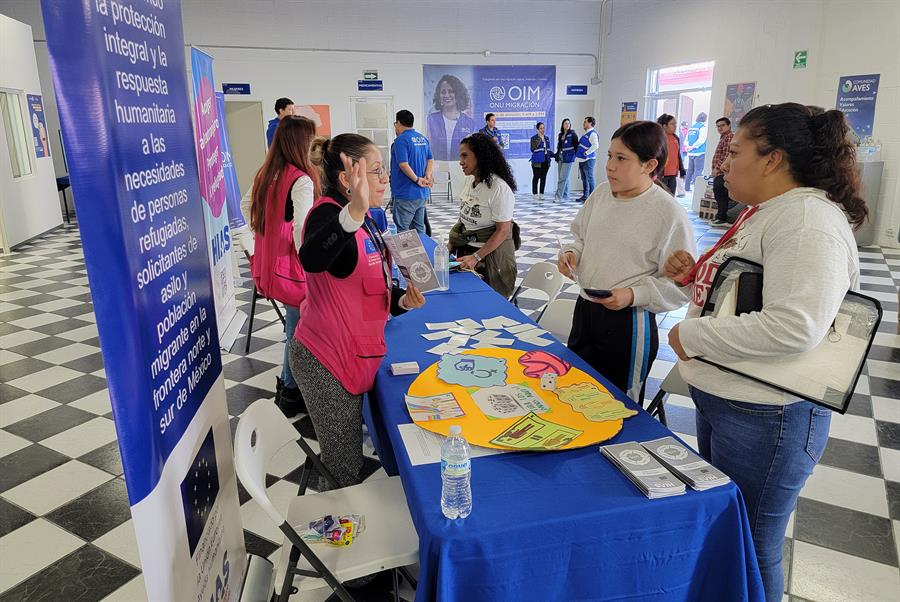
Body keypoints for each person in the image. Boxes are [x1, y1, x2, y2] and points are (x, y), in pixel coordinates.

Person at [663, 103, 866, 602]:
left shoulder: (806, 220)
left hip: (769, 417)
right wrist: (694, 278)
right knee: (732, 535)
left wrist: (693, 338)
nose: (724, 163)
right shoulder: (770, 213)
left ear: (772, 159)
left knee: (753, 543)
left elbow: (796, 325)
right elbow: (750, 295)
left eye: (735, 152)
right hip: (730, 402)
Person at [291, 133, 426, 490]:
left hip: (357, 354)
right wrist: (353, 211)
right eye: (377, 170)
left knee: (351, 461)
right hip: (327, 361)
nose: (385, 179)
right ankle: (334, 543)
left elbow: (364, 284)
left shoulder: (365, 218)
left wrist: (400, 300)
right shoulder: (329, 215)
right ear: (347, 179)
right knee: (342, 471)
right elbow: (313, 258)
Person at [558, 121, 695, 401]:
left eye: (621, 159)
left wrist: (634, 295)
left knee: (618, 404)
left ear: (649, 165)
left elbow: (681, 285)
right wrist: (573, 253)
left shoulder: (667, 214)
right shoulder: (600, 195)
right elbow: (580, 237)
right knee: (574, 393)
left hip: (629, 323)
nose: (609, 166)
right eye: (609, 156)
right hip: (586, 309)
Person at [243, 116, 319, 417]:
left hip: (268, 267)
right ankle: (289, 391)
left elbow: (244, 207)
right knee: (296, 330)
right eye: (310, 139)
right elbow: (302, 227)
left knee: (293, 327)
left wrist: (260, 239)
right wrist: (311, 263)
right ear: (301, 142)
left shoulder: (266, 173)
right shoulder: (301, 178)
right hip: (292, 269)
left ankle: (290, 388)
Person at [449, 133, 518, 298]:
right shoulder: (469, 181)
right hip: (467, 253)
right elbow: (464, 217)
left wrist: (476, 257)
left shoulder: (499, 188)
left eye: (465, 156)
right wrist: (450, 245)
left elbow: (503, 230)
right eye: (460, 156)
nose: (461, 162)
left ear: (480, 156)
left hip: (490, 258)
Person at [390, 109, 434, 233]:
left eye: (395, 124)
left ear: (398, 123)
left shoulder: (401, 140)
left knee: (402, 231)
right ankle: (422, 252)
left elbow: (403, 164)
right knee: (419, 229)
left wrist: (417, 179)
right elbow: (430, 159)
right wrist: (427, 176)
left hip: (405, 193)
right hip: (421, 194)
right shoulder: (423, 139)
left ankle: (406, 253)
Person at [427, 74, 477, 161]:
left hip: (461, 169)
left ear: (458, 94)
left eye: (451, 91)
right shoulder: (431, 120)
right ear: (439, 95)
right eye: (443, 92)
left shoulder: (470, 123)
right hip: (437, 169)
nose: (447, 95)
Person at [710, 116, 738, 225]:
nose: (720, 128)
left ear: (729, 125)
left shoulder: (729, 137)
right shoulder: (723, 137)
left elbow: (726, 155)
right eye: (718, 126)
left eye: (722, 125)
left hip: (723, 172)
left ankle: (721, 217)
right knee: (720, 193)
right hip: (720, 171)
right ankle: (721, 216)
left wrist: (717, 168)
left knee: (720, 192)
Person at [656, 113, 686, 195]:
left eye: (675, 124)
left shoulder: (676, 138)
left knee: (671, 197)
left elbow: (677, 155)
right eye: (672, 124)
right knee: (662, 197)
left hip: (673, 174)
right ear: (664, 126)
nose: (675, 126)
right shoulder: (659, 138)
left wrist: (682, 169)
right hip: (661, 175)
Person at [574, 116, 600, 202]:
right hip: (581, 159)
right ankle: (585, 196)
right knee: (584, 179)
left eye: (585, 122)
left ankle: (592, 198)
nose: (583, 123)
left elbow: (596, 145)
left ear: (590, 123)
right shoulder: (585, 133)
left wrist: (586, 153)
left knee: (590, 178)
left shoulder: (593, 134)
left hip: (588, 159)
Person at [555, 118, 579, 201]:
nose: (567, 125)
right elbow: (560, 147)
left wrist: (573, 156)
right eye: (565, 123)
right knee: (564, 177)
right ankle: (565, 195)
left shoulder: (573, 134)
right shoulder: (560, 135)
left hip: (569, 158)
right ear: (562, 125)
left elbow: (577, 147)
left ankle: (558, 196)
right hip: (561, 157)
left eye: (568, 123)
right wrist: (557, 155)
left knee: (563, 177)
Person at [683, 112, 708, 192]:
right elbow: (701, 140)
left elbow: (686, 140)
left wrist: (688, 147)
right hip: (699, 152)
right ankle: (696, 188)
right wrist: (693, 146)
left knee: (690, 170)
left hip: (691, 153)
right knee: (698, 170)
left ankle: (686, 187)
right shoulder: (702, 127)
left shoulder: (691, 128)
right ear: (705, 119)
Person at [529, 122, 552, 200]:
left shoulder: (547, 138)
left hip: (546, 160)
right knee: (536, 177)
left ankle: (542, 193)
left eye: (543, 128)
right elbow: (533, 148)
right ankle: (535, 193)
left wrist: (552, 157)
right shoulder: (533, 138)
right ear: (537, 129)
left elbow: (548, 150)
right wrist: (539, 138)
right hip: (537, 161)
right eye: (541, 128)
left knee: (543, 177)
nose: (543, 130)